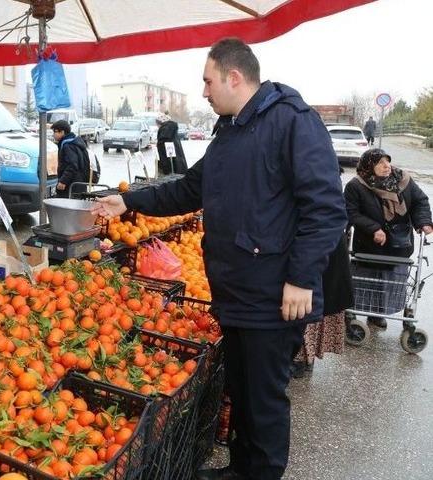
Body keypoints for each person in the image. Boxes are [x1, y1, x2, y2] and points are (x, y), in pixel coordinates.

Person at [91, 37, 346, 480]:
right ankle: (241, 468)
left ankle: (260, 473)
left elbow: (326, 209)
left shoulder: (292, 122)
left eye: (208, 82)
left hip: (273, 293)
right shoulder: (230, 130)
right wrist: (129, 202)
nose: (204, 91)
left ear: (234, 77)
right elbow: (190, 190)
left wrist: (302, 278)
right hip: (235, 289)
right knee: (242, 390)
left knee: (264, 400)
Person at [343, 148, 432, 328]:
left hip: (399, 243)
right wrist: (373, 228)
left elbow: (419, 201)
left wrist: (424, 222)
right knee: (368, 280)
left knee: (390, 280)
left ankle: (378, 314)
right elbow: (350, 212)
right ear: (369, 166)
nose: (387, 166)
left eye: (387, 161)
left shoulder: (403, 180)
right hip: (369, 244)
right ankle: (359, 310)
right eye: (380, 162)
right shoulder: (356, 185)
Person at [290, 235, 353, 377]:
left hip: (315, 248)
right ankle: (304, 358)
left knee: (307, 309)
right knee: (309, 309)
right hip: (321, 247)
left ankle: (301, 359)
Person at [51, 119, 93, 198]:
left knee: (66, 204)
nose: (53, 134)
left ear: (62, 132)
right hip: (78, 183)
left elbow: (73, 165)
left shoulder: (68, 145)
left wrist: (63, 181)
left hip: (71, 185)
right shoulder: (74, 141)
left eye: (55, 131)